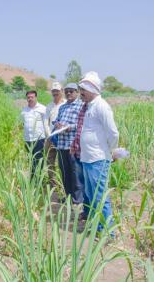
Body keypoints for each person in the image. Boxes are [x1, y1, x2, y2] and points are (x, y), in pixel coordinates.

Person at [71, 71, 119, 235]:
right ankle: (96, 227)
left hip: (98, 159)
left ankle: (107, 232)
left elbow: (113, 133)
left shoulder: (101, 106)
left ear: (92, 89)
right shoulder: (87, 106)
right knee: (90, 196)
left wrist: (110, 151)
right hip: (86, 158)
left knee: (100, 197)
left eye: (83, 89)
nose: (81, 93)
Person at [52, 83, 85, 205]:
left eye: (71, 91)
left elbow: (82, 124)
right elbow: (57, 120)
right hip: (61, 145)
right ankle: (68, 197)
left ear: (77, 92)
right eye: (66, 91)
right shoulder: (62, 107)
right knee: (65, 173)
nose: (69, 93)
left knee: (76, 173)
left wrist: (68, 127)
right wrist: (57, 124)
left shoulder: (82, 106)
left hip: (73, 146)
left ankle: (78, 200)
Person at [21, 90, 47, 178]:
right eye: (28, 97)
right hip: (28, 140)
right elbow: (23, 124)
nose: (30, 99)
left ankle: (40, 180)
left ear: (36, 97)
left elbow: (46, 124)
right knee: (30, 160)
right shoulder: (24, 110)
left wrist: (47, 138)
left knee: (40, 160)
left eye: (32, 97)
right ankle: (33, 180)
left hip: (39, 139)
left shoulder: (42, 109)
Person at [45, 82, 66, 189]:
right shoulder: (49, 106)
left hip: (63, 138)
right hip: (51, 137)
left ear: (61, 91)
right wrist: (49, 135)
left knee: (63, 162)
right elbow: (46, 122)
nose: (55, 93)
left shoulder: (66, 104)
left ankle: (64, 183)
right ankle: (53, 183)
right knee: (50, 161)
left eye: (57, 91)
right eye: (53, 91)